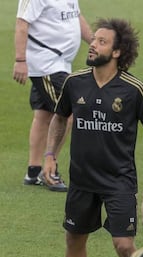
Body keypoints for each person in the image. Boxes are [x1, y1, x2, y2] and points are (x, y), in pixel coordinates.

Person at [43, 18, 143, 257]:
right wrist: (50, 155)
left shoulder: (134, 89)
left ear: (117, 52)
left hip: (119, 181)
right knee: (74, 238)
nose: (92, 45)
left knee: (123, 245)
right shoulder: (75, 83)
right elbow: (59, 118)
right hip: (82, 180)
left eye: (101, 41)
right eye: (94, 39)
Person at [13, 0, 92, 191]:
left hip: (60, 63)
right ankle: (50, 169)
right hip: (46, 64)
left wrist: (95, 41)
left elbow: (75, 15)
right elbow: (22, 23)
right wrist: (20, 60)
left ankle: (33, 172)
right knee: (69, 113)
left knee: (43, 115)